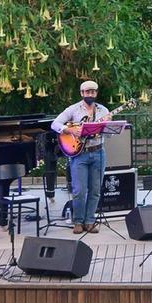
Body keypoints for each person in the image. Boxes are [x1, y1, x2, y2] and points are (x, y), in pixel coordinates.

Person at [51, 80, 108, 234]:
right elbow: (55, 124)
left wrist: (106, 128)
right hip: (79, 154)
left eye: (93, 92)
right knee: (79, 190)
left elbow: (108, 133)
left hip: (98, 152)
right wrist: (69, 131)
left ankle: (90, 221)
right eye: (87, 92)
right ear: (82, 93)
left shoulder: (103, 111)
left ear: (96, 93)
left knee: (95, 190)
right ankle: (78, 221)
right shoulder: (73, 109)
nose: (90, 94)